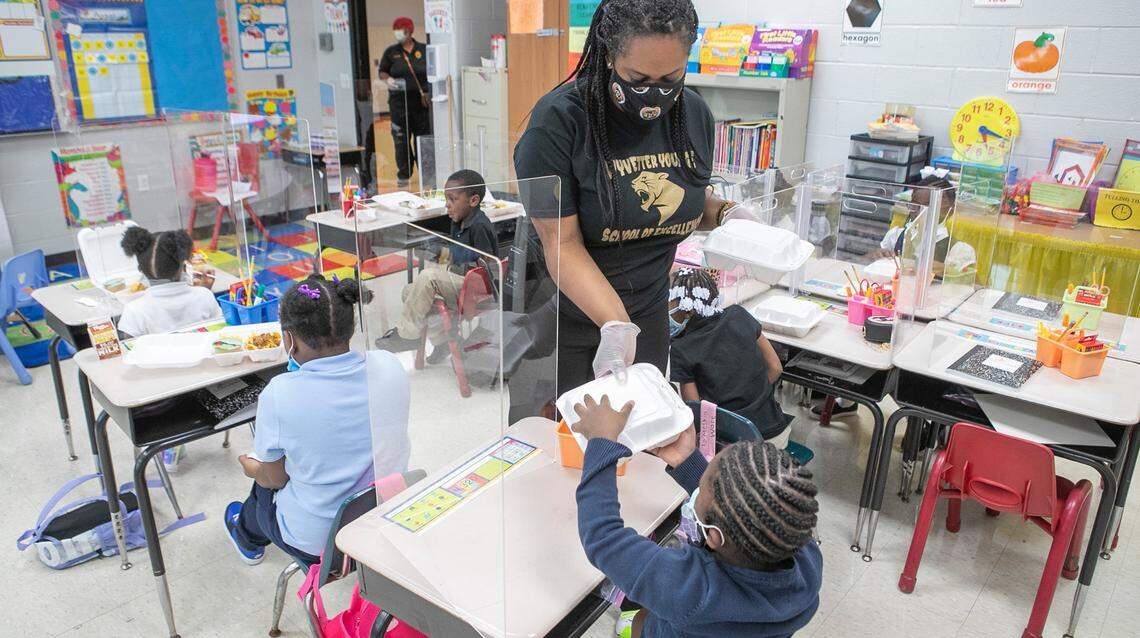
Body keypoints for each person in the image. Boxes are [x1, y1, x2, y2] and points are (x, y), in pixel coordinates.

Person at [514, 0, 755, 395]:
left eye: (670, 78)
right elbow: (562, 243)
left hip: (648, 318)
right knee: (570, 450)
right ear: (609, 54)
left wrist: (727, 213)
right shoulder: (559, 121)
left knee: (639, 447)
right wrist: (614, 323)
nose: (655, 96)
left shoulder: (693, 115)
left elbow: (681, 206)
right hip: (567, 322)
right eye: (639, 78)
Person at [571, 394, 822, 637]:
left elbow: (603, 538)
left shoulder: (690, 590)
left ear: (714, 537)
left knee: (638, 621)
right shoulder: (805, 556)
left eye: (701, 485)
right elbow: (738, 507)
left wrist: (602, 442)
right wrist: (687, 460)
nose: (699, 483)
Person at [224, 275, 410, 566]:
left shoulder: (280, 394)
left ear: (289, 339)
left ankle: (247, 536)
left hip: (320, 543)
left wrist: (251, 467)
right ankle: (247, 532)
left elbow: (275, 479)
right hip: (383, 516)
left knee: (262, 483)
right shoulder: (389, 365)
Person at [375, 170, 499, 363]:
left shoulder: (479, 225)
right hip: (461, 282)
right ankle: (442, 342)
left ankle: (407, 336)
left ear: (473, 201)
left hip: (477, 288)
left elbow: (486, 263)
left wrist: (443, 254)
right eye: (445, 198)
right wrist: (439, 254)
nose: (447, 205)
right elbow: (453, 258)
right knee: (410, 292)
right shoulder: (458, 221)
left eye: (452, 199)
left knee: (428, 277)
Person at [668, 268, 792, 447]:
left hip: (734, 447)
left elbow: (696, 409)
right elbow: (776, 368)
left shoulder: (682, 348)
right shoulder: (738, 314)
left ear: (684, 308)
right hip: (776, 433)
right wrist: (752, 393)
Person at [117, 227, 222, 338]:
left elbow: (130, 350)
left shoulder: (134, 311)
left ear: (141, 269)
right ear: (182, 265)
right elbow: (220, 333)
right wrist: (203, 291)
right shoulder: (204, 296)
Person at [379, 17, 432, 188]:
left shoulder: (423, 50)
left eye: (401, 30)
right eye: (396, 29)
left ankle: (427, 174)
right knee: (401, 140)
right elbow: (382, 71)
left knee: (422, 140)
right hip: (398, 104)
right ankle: (404, 173)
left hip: (420, 105)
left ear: (410, 31)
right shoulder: (391, 52)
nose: (398, 33)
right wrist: (388, 80)